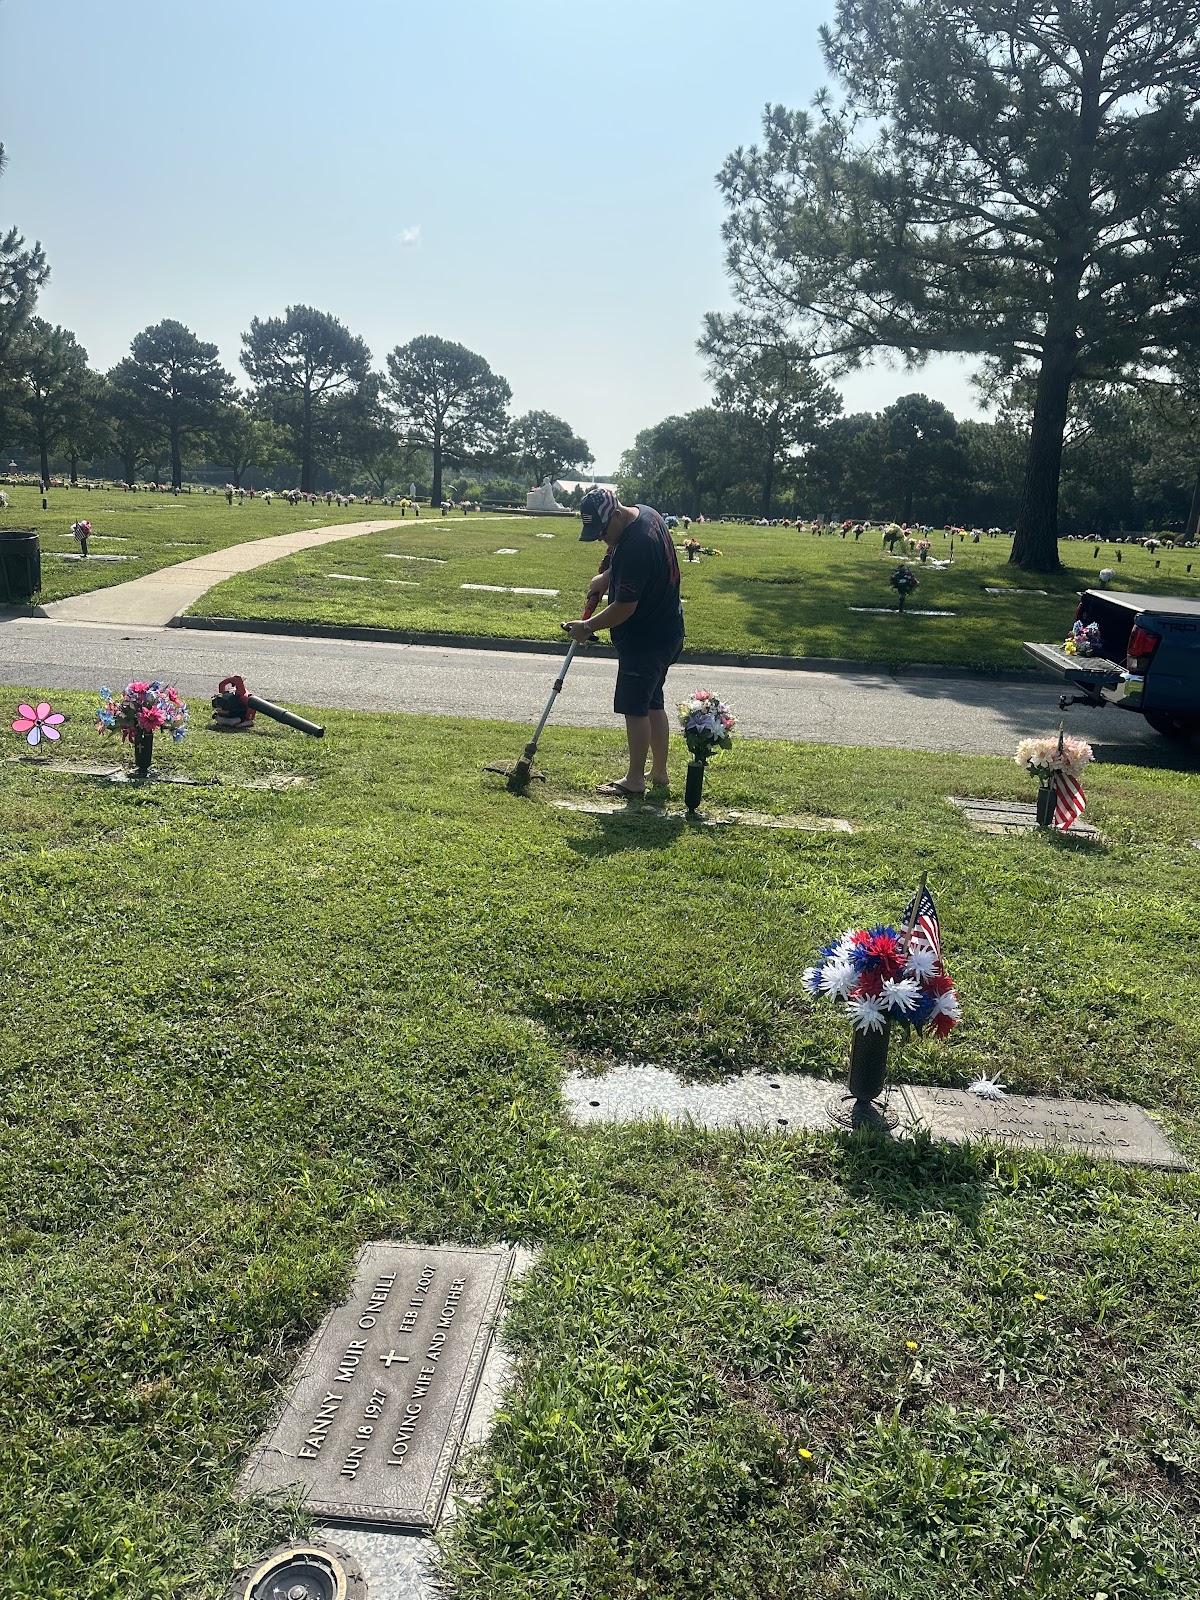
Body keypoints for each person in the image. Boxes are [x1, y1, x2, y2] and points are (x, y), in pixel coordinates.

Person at [564, 489, 684, 797]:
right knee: (652, 701)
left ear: (615, 515)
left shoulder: (636, 545)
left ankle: (634, 780)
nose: (604, 540)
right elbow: (636, 564)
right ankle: (659, 772)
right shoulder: (646, 513)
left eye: (603, 532)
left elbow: (624, 607)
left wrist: (587, 627)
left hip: (645, 638)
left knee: (635, 708)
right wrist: (607, 578)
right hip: (668, 630)